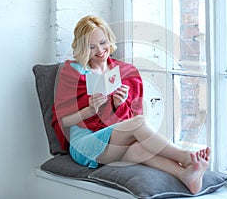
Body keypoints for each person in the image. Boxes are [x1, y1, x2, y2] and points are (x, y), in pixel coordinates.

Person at [52, 15, 210, 194]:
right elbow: (64, 121)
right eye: (92, 46)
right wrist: (90, 109)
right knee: (139, 122)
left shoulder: (123, 72)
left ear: (109, 40)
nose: (100, 50)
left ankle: (185, 175)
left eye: (103, 42)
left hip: (113, 139)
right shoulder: (72, 71)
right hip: (84, 142)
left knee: (138, 149)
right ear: (83, 48)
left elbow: (126, 119)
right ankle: (186, 157)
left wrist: (118, 105)